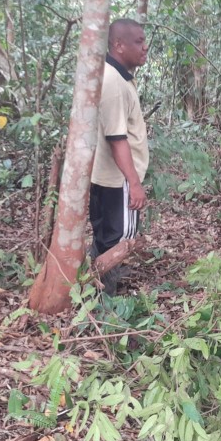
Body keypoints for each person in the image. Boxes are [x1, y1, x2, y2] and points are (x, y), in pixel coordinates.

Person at [90, 18, 150, 294]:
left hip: (111, 179)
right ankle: (106, 302)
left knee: (107, 236)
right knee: (117, 240)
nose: (145, 47)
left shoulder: (116, 77)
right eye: (138, 41)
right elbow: (117, 139)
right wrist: (133, 183)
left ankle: (98, 290)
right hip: (117, 180)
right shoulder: (113, 81)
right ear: (118, 45)